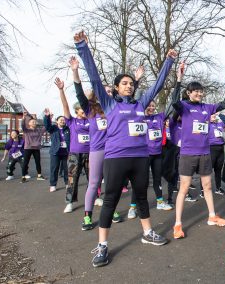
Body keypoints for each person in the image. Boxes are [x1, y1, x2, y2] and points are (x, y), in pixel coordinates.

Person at [75, 31, 176, 267]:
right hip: (116, 158)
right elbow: (94, 78)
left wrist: (169, 62)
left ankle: (147, 232)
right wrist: (82, 47)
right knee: (110, 200)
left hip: (140, 158)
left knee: (141, 196)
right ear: (117, 88)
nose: (129, 86)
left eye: (131, 83)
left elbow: (159, 85)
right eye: (124, 83)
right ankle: (102, 246)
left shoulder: (141, 103)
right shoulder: (109, 103)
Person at [172, 76, 225, 239]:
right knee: (184, 188)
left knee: (207, 186)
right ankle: (177, 223)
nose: (199, 93)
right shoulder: (184, 107)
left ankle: (212, 216)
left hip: (205, 153)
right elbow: (174, 102)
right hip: (188, 154)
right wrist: (178, 80)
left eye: (201, 91)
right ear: (189, 93)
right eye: (196, 91)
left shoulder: (207, 107)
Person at [69, 55, 123, 229]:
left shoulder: (114, 108)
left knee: (111, 183)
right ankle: (87, 216)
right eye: (104, 91)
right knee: (93, 183)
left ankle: (110, 210)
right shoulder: (90, 109)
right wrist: (75, 72)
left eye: (109, 91)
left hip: (114, 150)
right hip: (97, 150)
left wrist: (135, 80)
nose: (107, 93)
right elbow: (79, 93)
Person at [128, 62, 185, 217]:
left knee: (158, 178)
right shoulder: (137, 116)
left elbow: (173, 104)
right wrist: (137, 80)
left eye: (153, 106)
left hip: (157, 154)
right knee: (140, 182)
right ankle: (133, 207)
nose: (151, 108)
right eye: (149, 106)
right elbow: (135, 98)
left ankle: (160, 201)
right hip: (142, 155)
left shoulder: (160, 117)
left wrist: (178, 80)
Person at [54, 77, 90, 213]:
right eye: (82, 109)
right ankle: (69, 202)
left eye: (85, 109)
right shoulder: (72, 121)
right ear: (77, 111)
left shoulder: (92, 120)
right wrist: (61, 90)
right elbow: (65, 106)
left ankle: (94, 197)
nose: (84, 111)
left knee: (93, 178)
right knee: (72, 179)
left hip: (90, 153)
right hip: (75, 154)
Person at [199, 111, 225, 197]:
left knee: (218, 170)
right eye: (211, 115)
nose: (213, 116)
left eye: (214, 115)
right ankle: (203, 190)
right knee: (206, 171)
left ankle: (218, 188)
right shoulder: (206, 125)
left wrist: (219, 113)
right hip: (210, 149)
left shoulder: (219, 125)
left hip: (220, 149)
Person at [43, 110, 70, 193]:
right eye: (60, 119)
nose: (62, 121)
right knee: (54, 169)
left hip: (66, 152)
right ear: (57, 121)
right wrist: (47, 117)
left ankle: (67, 183)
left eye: (64, 119)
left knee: (67, 169)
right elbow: (47, 126)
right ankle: (53, 185)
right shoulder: (53, 128)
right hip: (55, 152)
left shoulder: (67, 129)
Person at [21, 112, 46, 182]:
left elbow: (46, 127)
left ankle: (39, 175)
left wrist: (49, 118)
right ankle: (23, 177)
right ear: (29, 123)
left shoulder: (39, 131)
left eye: (35, 122)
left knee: (38, 162)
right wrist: (23, 118)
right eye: (32, 122)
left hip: (36, 148)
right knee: (25, 162)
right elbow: (22, 125)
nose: (34, 123)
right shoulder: (26, 130)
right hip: (28, 148)